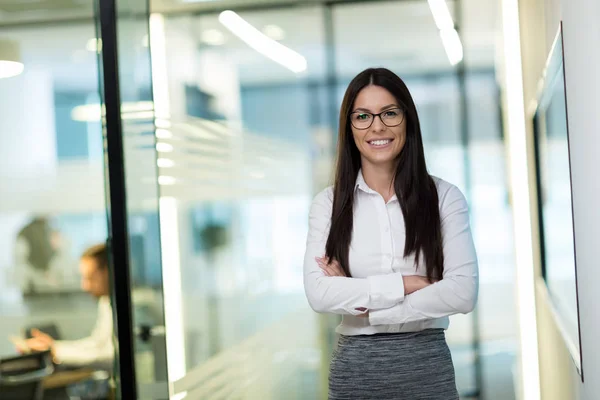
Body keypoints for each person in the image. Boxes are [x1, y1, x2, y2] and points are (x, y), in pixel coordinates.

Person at [303, 68, 478, 399]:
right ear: (349, 127)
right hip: (355, 374)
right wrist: (407, 285)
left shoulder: (444, 198)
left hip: (427, 369)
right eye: (363, 116)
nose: (377, 126)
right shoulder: (328, 205)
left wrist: (368, 304)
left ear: (407, 119)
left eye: (390, 113)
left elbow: (462, 293)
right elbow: (319, 294)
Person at [22, 243, 114, 370]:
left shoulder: (134, 305)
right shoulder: (106, 301)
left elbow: (111, 356)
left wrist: (56, 352)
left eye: (90, 278)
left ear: (107, 272)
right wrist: (54, 347)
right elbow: (97, 343)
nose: (85, 286)